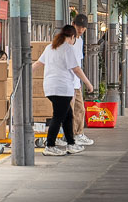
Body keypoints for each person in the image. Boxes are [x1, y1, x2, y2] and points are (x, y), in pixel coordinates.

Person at [33, 25, 94, 157]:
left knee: (67, 116)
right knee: (58, 117)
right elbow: (76, 69)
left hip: (50, 88)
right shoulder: (67, 48)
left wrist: (25, 72)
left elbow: (38, 63)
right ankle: (50, 146)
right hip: (62, 88)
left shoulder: (50, 47)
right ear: (72, 37)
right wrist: (88, 84)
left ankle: (71, 143)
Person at [69, 14, 93, 146]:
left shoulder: (80, 40)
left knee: (80, 109)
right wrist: (87, 83)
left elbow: (78, 63)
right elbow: (74, 66)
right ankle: (70, 136)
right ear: (73, 24)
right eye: (79, 26)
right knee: (70, 111)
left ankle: (78, 134)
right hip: (68, 82)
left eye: (83, 27)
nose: (81, 29)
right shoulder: (68, 40)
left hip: (76, 82)